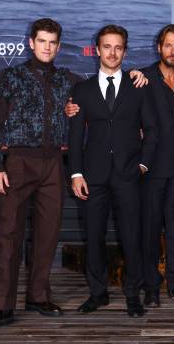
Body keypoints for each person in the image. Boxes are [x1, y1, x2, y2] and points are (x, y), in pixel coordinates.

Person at [0, 18, 79, 335]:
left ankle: (38, 296)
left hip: (53, 164)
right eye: (42, 40)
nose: (47, 46)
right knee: (9, 236)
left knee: (47, 234)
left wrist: (74, 111)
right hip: (17, 162)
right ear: (31, 42)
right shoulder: (10, 77)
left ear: (58, 46)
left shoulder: (67, 80)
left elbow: (95, 97)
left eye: (52, 42)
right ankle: (2, 307)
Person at [68, 24, 158, 317]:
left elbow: (153, 130)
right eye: (107, 46)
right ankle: (97, 293)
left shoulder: (139, 86)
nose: (112, 52)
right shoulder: (81, 90)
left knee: (131, 237)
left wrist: (143, 164)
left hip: (128, 175)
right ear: (97, 50)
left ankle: (133, 294)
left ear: (125, 51)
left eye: (118, 47)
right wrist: (76, 173)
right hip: (92, 177)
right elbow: (74, 136)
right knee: (93, 237)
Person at [139, 25, 174, 307]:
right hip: (150, 167)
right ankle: (151, 286)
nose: (173, 51)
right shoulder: (142, 77)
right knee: (149, 230)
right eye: (168, 45)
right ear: (158, 47)